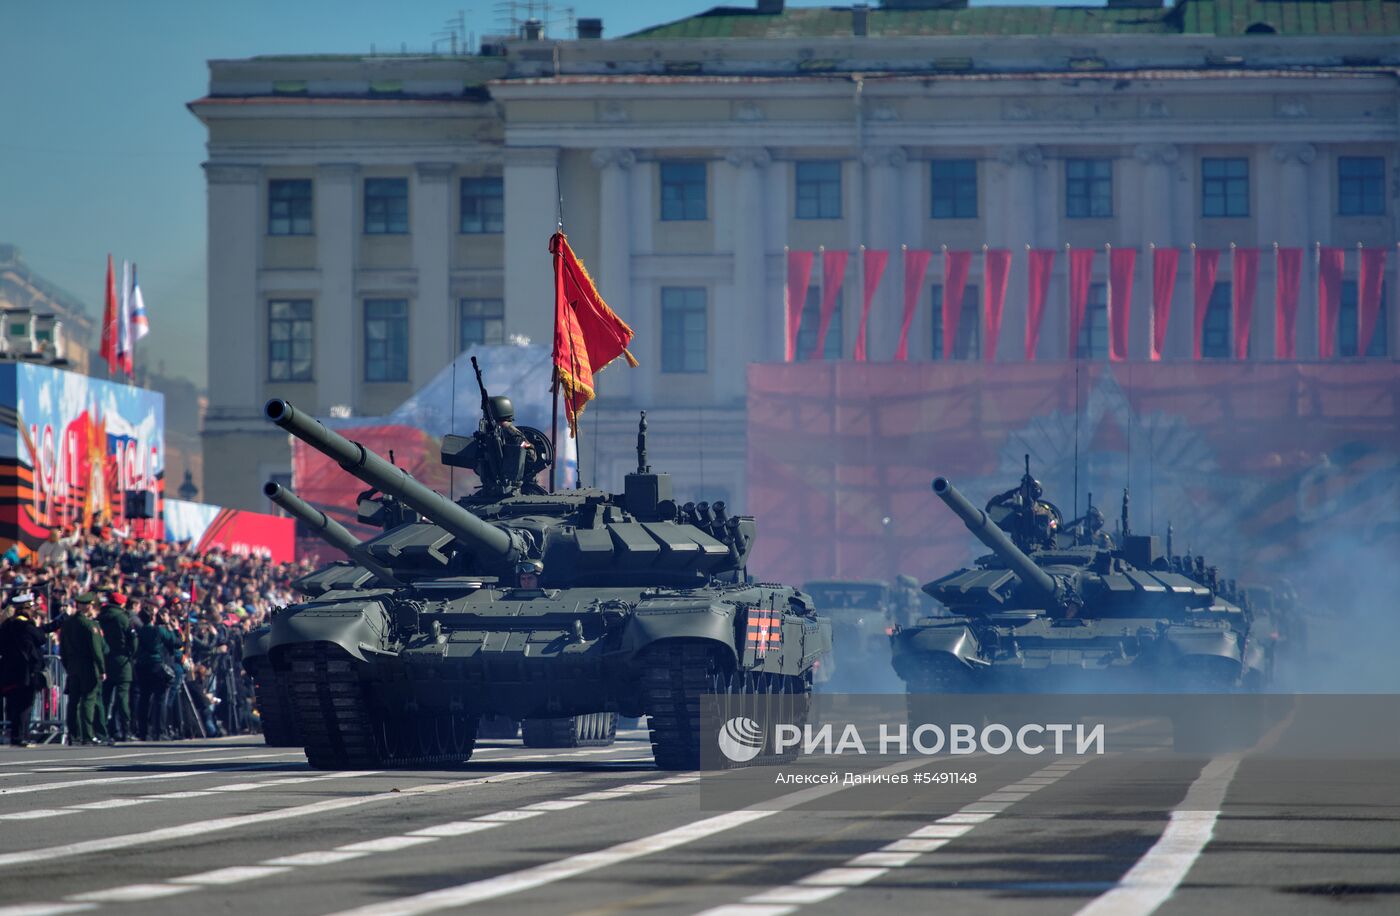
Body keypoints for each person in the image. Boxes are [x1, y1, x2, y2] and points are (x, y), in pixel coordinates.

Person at [59, 594, 107, 746]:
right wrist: (101, 669)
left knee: (73, 701)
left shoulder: (68, 623)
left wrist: (68, 665)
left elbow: (63, 649)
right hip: (88, 666)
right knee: (88, 700)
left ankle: (73, 733)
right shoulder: (89, 625)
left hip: (73, 666)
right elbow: (97, 650)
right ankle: (87, 734)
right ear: (88, 606)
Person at [0, 594, 46, 747]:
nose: (33, 611)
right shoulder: (24, 626)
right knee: (24, 704)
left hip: (10, 670)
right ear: (25, 609)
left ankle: (17, 735)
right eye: (31, 608)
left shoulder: (7, 625)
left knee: (15, 704)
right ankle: (21, 736)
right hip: (24, 671)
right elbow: (40, 638)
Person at [133, 609, 181, 741]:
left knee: (144, 698)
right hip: (156, 665)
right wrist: (174, 629)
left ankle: (143, 731)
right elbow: (176, 642)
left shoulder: (140, 631)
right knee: (160, 699)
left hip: (142, 666)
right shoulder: (158, 630)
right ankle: (159, 731)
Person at [97, 592, 135, 741]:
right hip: (122, 659)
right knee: (122, 696)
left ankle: (103, 729)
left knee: (105, 696)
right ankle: (125, 730)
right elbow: (132, 640)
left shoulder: (101, 617)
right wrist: (131, 654)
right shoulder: (123, 618)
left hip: (105, 659)